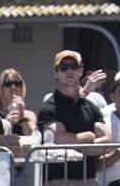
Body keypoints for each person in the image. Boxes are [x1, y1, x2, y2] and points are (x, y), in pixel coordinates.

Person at [39, 49, 110, 182]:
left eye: (74, 66)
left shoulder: (91, 107)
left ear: (81, 70)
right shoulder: (49, 107)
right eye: (64, 67)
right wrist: (89, 137)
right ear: (56, 72)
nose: (69, 71)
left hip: (88, 180)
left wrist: (75, 145)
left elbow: (106, 142)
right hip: (58, 181)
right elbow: (59, 139)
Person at [0, 69, 37, 140]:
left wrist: (22, 118)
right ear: (0, 89)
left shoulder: (29, 115)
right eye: (8, 84)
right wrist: (7, 124)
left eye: (17, 83)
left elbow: (33, 139)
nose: (13, 87)